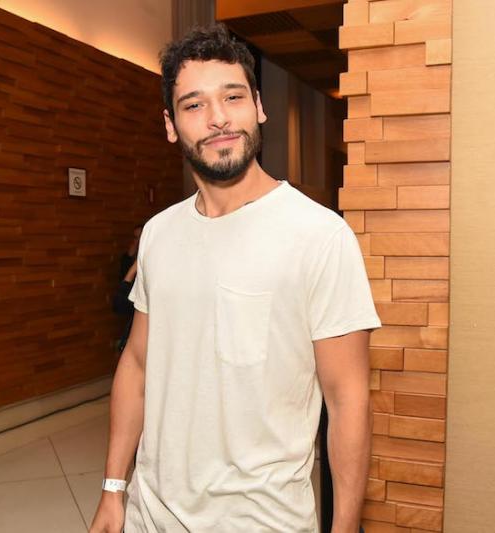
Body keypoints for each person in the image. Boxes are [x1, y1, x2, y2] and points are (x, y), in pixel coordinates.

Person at [90, 24, 380, 533]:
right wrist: (115, 489)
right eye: (194, 104)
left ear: (259, 107)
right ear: (170, 125)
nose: (218, 118)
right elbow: (136, 363)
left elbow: (348, 399)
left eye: (233, 97)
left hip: (262, 521)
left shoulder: (319, 236)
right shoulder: (159, 233)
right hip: (150, 516)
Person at [113, 225, 143, 352]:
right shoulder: (130, 260)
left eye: (139, 237)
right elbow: (120, 304)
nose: (136, 241)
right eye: (134, 238)